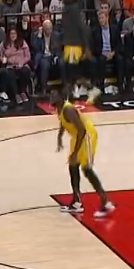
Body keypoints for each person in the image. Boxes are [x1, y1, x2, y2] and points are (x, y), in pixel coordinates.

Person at [52, 87, 114, 218]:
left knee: (87, 169)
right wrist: (59, 136)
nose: (50, 97)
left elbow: (82, 130)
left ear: (61, 97)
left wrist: (75, 152)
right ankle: (76, 203)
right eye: (50, 94)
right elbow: (63, 122)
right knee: (72, 166)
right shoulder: (59, 108)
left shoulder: (68, 109)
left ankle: (106, 203)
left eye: (53, 94)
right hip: (77, 136)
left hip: (86, 136)